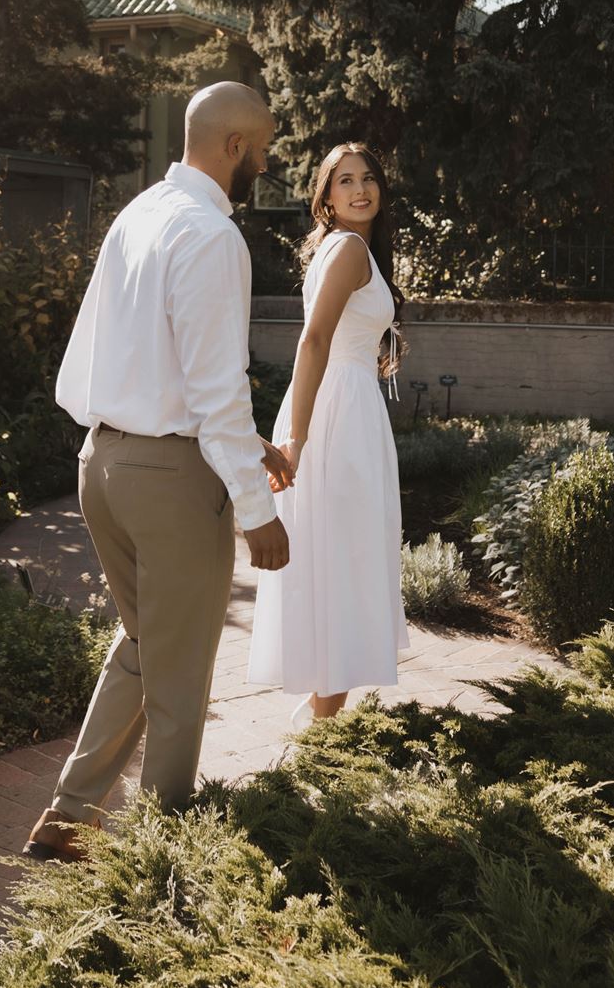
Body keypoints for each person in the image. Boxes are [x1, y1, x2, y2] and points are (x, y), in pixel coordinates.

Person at [21, 81, 293, 860]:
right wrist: (257, 509)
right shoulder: (211, 234)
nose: (266, 164)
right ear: (235, 146)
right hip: (170, 482)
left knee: (144, 644)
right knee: (179, 679)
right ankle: (163, 857)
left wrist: (249, 449)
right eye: (264, 150)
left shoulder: (138, 213)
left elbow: (142, 359)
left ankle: (70, 815)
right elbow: (214, 386)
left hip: (101, 462)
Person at [247, 141, 409, 723]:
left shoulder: (345, 248)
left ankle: (324, 717)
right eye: (344, 181)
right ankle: (323, 727)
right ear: (325, 196)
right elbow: (314, 341)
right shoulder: (346, 250)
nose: (360, 189)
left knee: (336, 555)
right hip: (337, 415)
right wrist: (297, 438)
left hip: (341, 407)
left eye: (368, 178)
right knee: (344, 557)